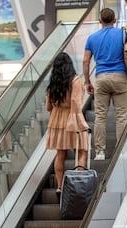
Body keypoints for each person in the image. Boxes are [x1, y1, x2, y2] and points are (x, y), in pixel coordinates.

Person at [83, 7, 127, 161]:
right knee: (121, 117)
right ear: (115, 20)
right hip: (120, 77)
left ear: (100, 21)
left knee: (100, 117)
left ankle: (99, 152)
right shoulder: (122, 33)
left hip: (101, 78)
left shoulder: (92, 38)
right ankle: (122, 152)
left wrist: (87, 81)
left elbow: (86, 60)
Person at [46, 52, 90, 195]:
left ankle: (59, 186)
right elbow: (75, 103)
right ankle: (78, 182)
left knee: (60, 154)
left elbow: (48, 107)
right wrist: (79, 121)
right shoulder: (75, 80)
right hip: (72, 117)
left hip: (56, 119)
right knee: (82, 149)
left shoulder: (53, 84)